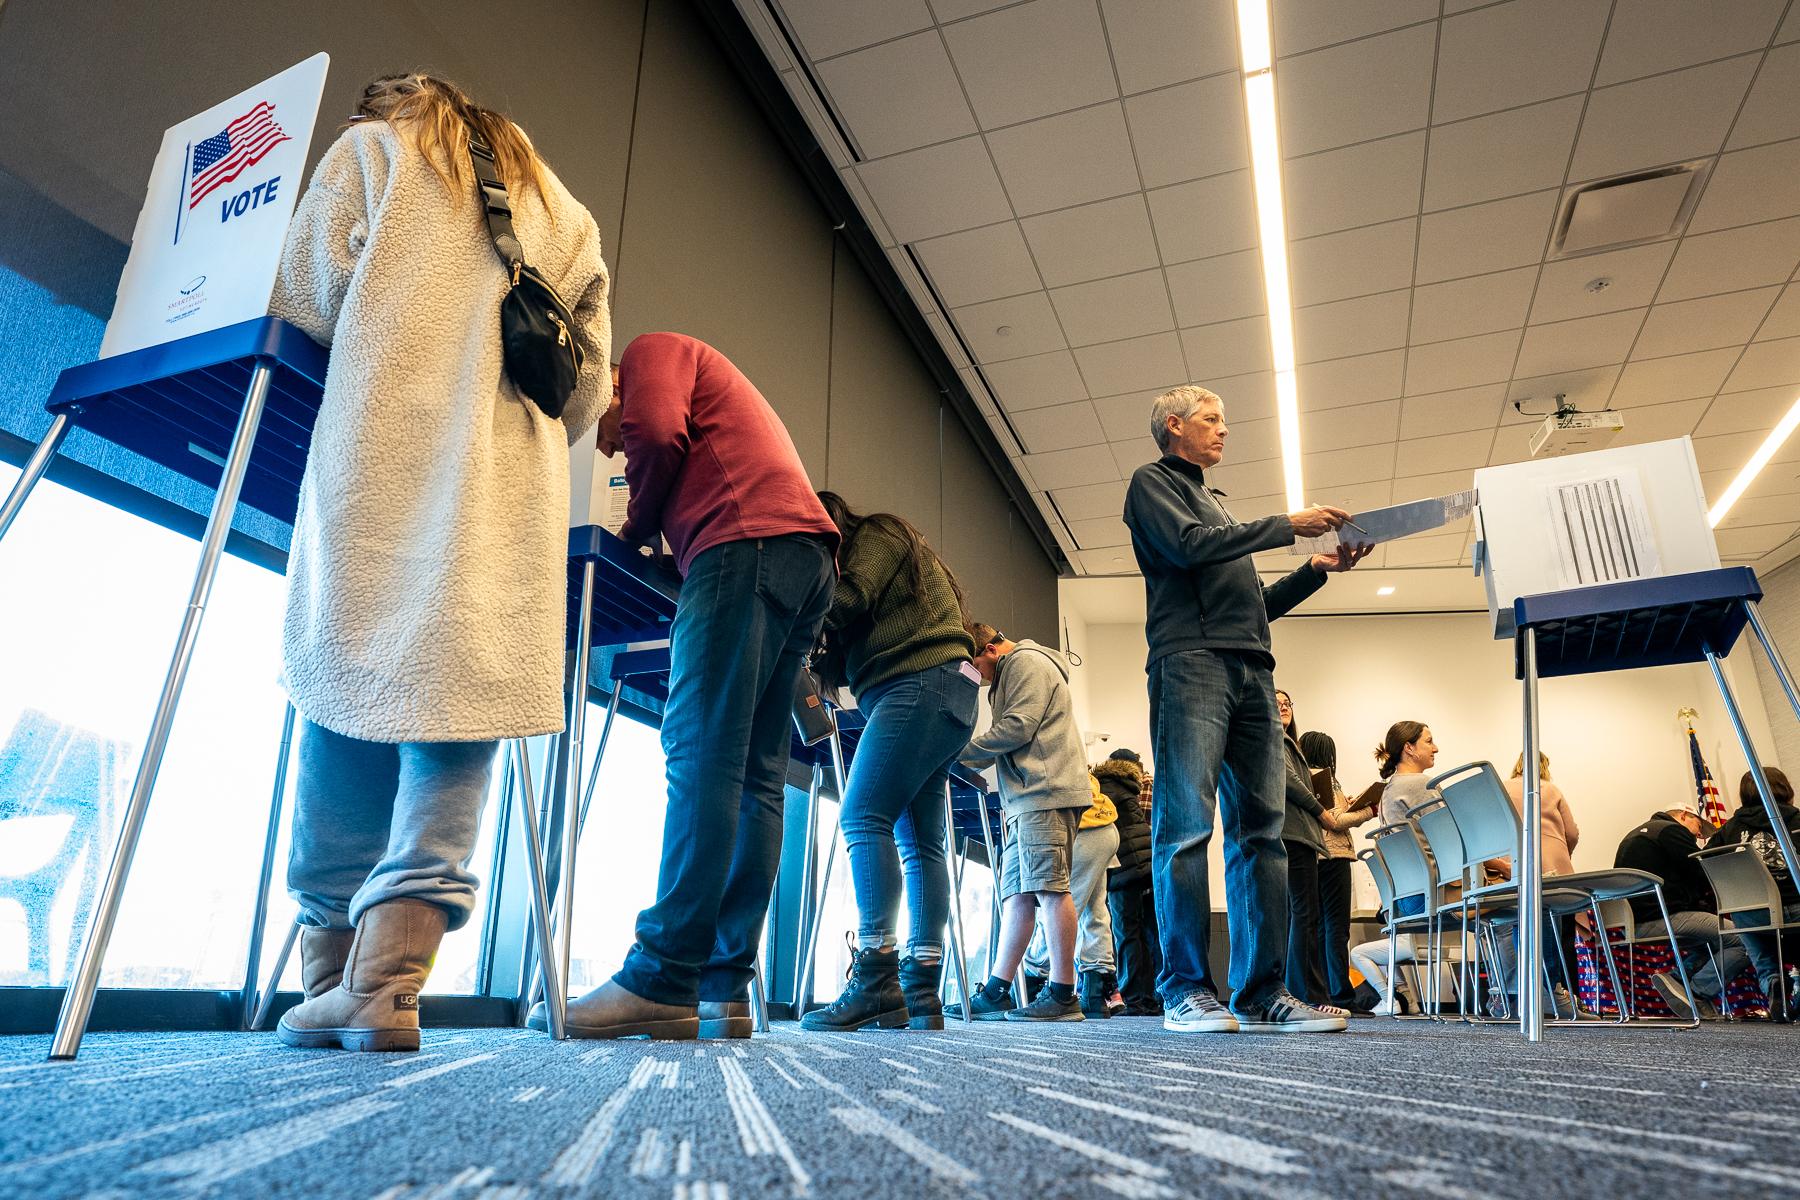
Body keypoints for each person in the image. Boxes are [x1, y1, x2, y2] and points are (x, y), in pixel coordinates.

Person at [269, 73, 613, 1053]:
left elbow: (306, 301)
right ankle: (388, 989)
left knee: (341, 687)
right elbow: (585, 394)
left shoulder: (374, 154)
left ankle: (331, 978)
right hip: (510, 497)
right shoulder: (566, 214)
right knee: (457, 715)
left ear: (390, 105)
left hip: (383, 467)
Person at [547, 332, 838, 1040]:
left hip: (744, 543)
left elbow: (655, 429)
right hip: (805, 559)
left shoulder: (653, 351)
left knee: (699, 748)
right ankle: (721, 984)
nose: (612, 451)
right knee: (757, 775)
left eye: (603, 433)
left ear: (611, 383)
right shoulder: (716, 386)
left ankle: (663, 973)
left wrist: (637, 523)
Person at [1122, 384, 1368, 1035]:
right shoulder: (1152, 484)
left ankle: (1262, 993)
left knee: (1264, 831)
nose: (1224, 430)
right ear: (1174, 426)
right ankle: (1183, 989)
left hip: (1251, 670)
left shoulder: (1219, 504)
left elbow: (1253, 606)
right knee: (1185, 827)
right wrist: (1287, 524)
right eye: (1211, 419)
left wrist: (1315, 568)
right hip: (1190, 664)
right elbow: (1187, 546)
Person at [798, 493, 980, 1033]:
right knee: (922, 843)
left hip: (919, 685)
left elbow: (846, 598)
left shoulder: (877, 533)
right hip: (941, 692)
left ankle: (876, 974)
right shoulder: (887, 561)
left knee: (861, 817)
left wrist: (786, 609)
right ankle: (920, 988)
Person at [949, 624, 1093, 1022]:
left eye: (978, 666)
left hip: (1044, 792)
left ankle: (1064, 993)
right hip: (1025, 799)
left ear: (990, 648)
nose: (979, 677)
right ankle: (997, 990)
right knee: (1016, 894)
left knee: (1048, 888)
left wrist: (961, 754)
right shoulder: (1012, 668)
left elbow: (1018, 726)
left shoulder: (1026, 662)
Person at [1614, 802, 1750, 1019]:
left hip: (1629, 923)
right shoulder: (1670, 830)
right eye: (1698, 827)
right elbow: (1704, 871)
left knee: (1711, 943)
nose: (1698, 836)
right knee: (1746, 939)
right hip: (1661, 918)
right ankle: (1696, 991)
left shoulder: (1636, 835)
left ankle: (1678, 978)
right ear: (1684, 815)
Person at [1349, 722, 1443, 1016]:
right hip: (1432, 890)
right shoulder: (1421, 785)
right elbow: (1450, 837)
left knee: (1388, 942)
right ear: (1409, 748)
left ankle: (1401, 997)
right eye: (1429, 741)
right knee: (1506, 909)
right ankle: (1516, 994)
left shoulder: (1388, 792)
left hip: (1405, 891)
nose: (1436, 747)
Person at [1022, 772, 1123, 1017]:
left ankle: (1032, 979)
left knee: (1057, 904)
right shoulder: (1077, 764)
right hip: (1105, 829)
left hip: (1083, 829)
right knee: (1094, 911)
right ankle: (1095, 993)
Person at [1707, 767, 1800, 1018]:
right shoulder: (1797, 819)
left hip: (1754, 915)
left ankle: (1772, 981)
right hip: (1797, 906)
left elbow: (1707, 863)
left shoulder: (1727, 831)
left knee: (1753, 934)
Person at [1299, 731, 1376, 1011]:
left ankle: (1325, 994)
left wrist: (1349, 803)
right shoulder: (1323, 777)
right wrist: (1369, 810)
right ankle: (1343, 995)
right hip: (1335, 857)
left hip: (1315, 856)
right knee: (1337, 928)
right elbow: (1336, 821)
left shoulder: (1302, 778)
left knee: (1319, 929)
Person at [1503, 752, 1584, 998]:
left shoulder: (1502, 787)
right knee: (1564, 933)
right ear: (1544, 767)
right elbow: (1572, 833)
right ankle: (1564, 994)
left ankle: (1523, 992)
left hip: (1513, 865)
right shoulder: (1550, 788)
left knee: (1516, 926)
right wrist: (1561, 852)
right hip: (1553, 864)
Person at [1275, 690, 1334, 1012]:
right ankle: (1310, 997)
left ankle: (1303, 994)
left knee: (1299, 916)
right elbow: (1288, 780)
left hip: (1295, 833)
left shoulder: (1287, 742)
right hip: (1293, 833)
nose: (1283, 708)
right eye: (1276, 702)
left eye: (1287, 704)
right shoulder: (1275, 739)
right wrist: (1320, 810)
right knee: (1304, 916)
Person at [1097, 749, 1159, 1014]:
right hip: (1147, 863)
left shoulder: (1102, 786)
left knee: (1126, 935)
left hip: (1123, 866)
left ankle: (1134, 998)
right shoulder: (1133, 786)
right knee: (1149, 933)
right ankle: (1152, 998)